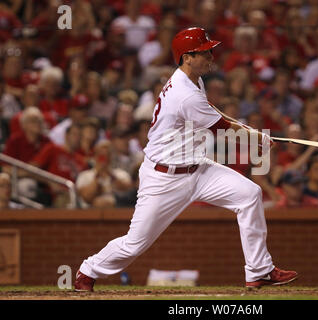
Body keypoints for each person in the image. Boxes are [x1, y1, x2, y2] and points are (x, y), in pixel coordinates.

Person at [74, 27, 298, 292]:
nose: (211, 55)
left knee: (250, 194)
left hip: (198, 169)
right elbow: (222, 129)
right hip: (164, 177)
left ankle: (259, 270)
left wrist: (251, 132)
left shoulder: (194, 81)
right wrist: (258, 138)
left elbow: (217, 115)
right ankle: (87, 271)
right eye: (204, 52)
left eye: (210, 50)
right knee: (135, 243)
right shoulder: (185, 93)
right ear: (187, 57)